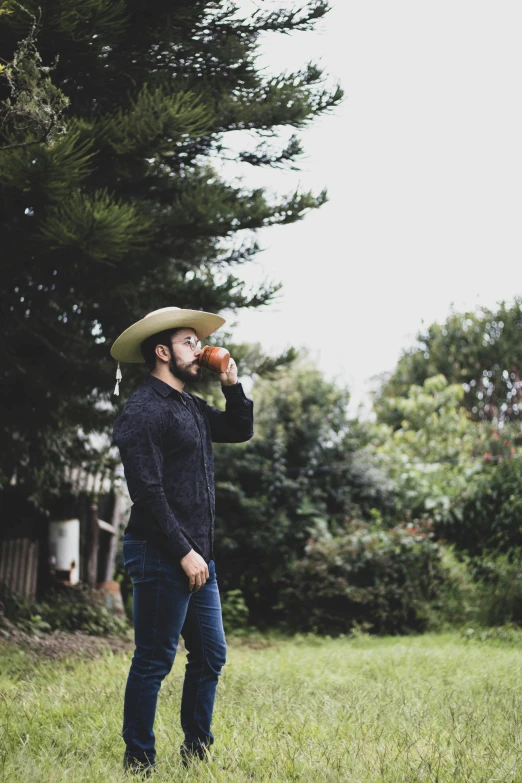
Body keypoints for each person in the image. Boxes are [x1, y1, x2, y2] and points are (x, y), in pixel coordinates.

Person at [111, 307, 254, 776]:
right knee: (154, 660)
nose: (199, 351)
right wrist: (184, 552)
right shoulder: (142, 411)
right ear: (161, 352)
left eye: (199, 343)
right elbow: (148, 493)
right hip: (160, 552)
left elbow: (239, 430)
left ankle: (196, 752)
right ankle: (139, 760)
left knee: (210, 655)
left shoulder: (189, 406)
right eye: (190, 343)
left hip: (197, 557)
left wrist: (232, 385)